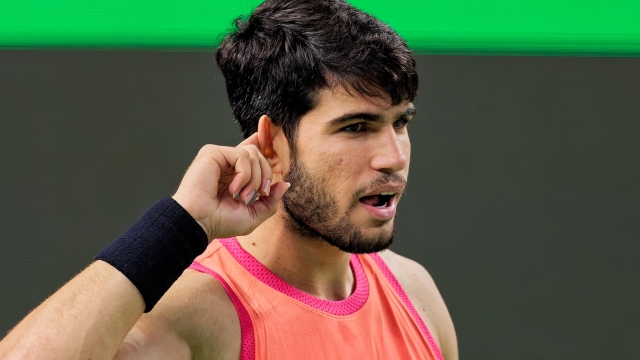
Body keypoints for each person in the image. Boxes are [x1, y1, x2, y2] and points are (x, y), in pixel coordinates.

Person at [0, 0, 457, 358]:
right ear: (272, 145)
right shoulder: (201, 312)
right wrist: (180, 223)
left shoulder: (415, 294)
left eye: (401, 123)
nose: (394, 157)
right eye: (356, 127)